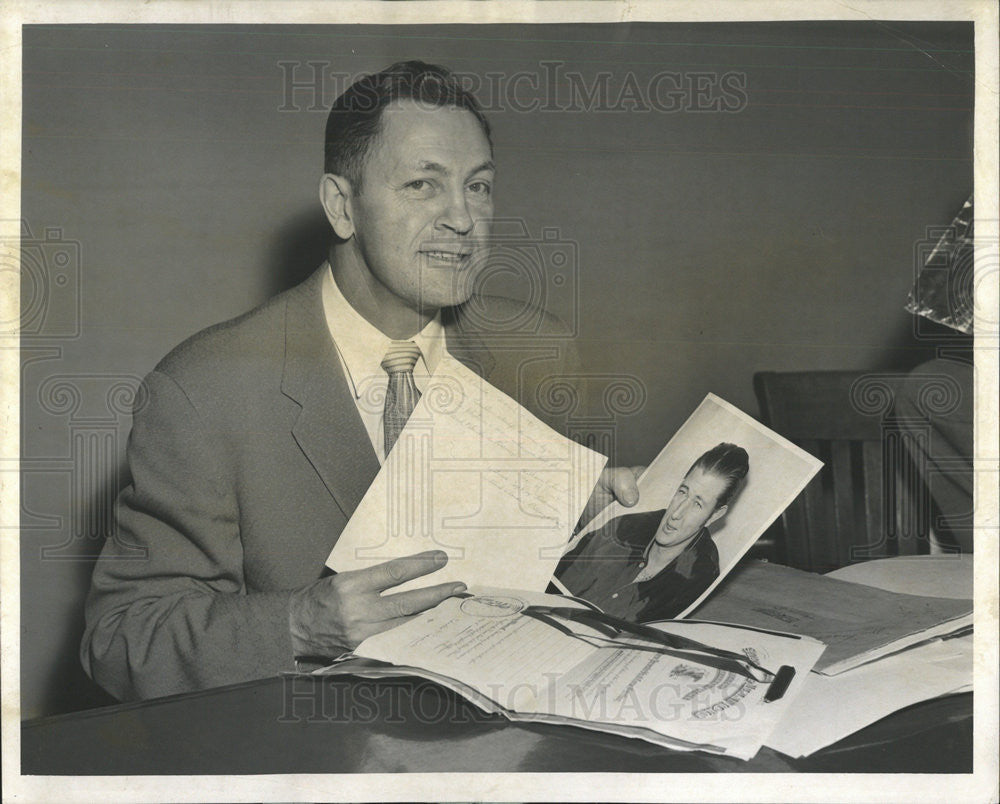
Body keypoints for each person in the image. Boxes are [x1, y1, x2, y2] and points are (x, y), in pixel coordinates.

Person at [81, 61, 640, 701]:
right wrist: (295, 624)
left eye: (479, 187)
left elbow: (569, 605)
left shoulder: (539, 351)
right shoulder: (203, 390)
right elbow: (122, 638)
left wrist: (611, 533)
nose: (463, 218)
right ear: (342, 207)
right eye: (423, 186)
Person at [556, 443, 749, 622]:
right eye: (683, 492)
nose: (677, 513)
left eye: (698, 504)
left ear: (715, 515)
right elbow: (552, 580)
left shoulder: (699, 575)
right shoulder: (625, 527)